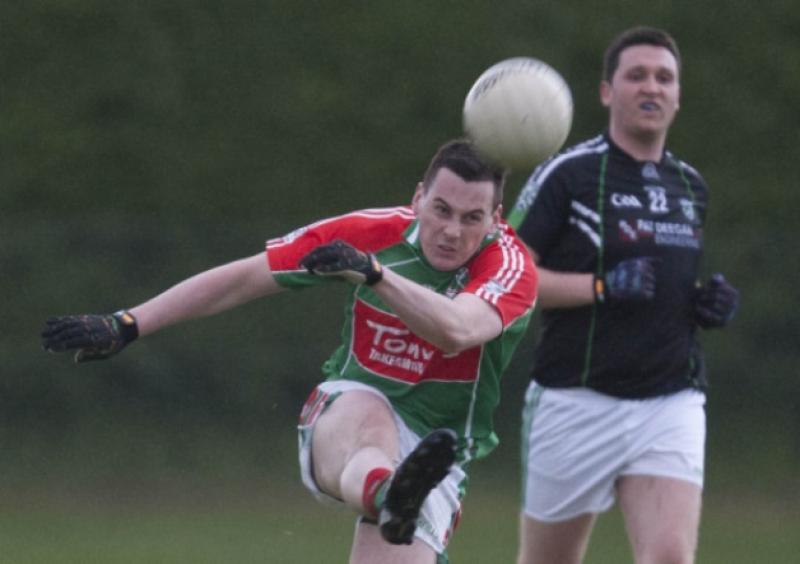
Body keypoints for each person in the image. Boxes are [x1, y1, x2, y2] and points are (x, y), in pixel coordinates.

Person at [41, 139, 538, 564]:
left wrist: (375, 277)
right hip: (350, 412)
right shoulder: (374, 233)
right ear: (418, 199)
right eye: (441, 210)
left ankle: (396, 496)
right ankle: (389, 494)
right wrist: (127, 324)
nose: (452, 231)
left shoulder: (509, 266)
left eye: (472, 218)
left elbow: (457, 329)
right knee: (369, 415)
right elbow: (246, 278)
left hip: (437, 453)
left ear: (495, 219)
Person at [507, 27, 739, 564]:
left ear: (678, 95)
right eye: (636, 76)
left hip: (670, 398)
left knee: (669, 558)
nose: (650, 87)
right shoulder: (569, 175)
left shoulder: (690, 185)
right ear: (608, 91)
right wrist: (600, 286)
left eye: (664, 77)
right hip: (575, 398)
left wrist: (704, 303)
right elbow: (510, 278)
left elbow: (667, 287)